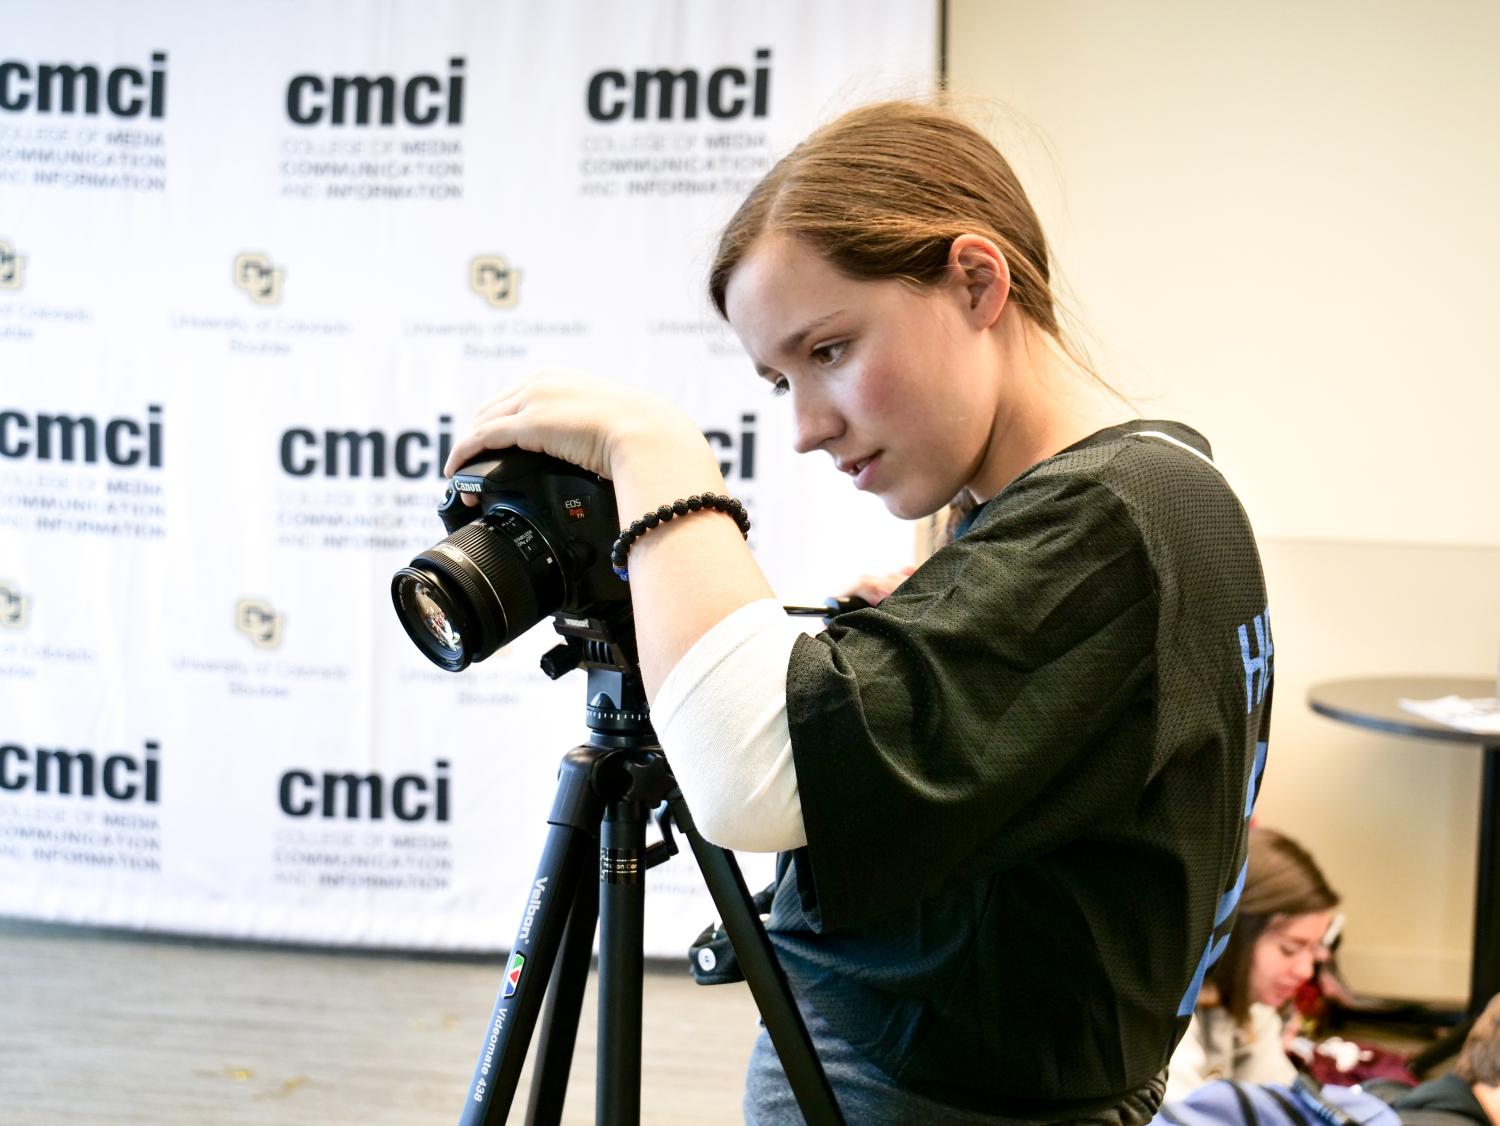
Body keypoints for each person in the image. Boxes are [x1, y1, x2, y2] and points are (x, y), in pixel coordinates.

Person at [445, 99, 1273, 1124]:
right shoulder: (1162, 487)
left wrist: (653, 455)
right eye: (781, 378)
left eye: (830, 349)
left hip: (929, 1092)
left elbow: (754, 778)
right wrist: (932, 634)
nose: (806, 425)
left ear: (976, 280)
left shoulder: (1106, 515)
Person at [1164, 827, 1341, 1101]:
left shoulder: (1249, 1007)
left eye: (1313, 951)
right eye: (1289, 949)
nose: (1306, 971)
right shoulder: (1165, 1012)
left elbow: (1284, 1103)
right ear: (1233, 935)